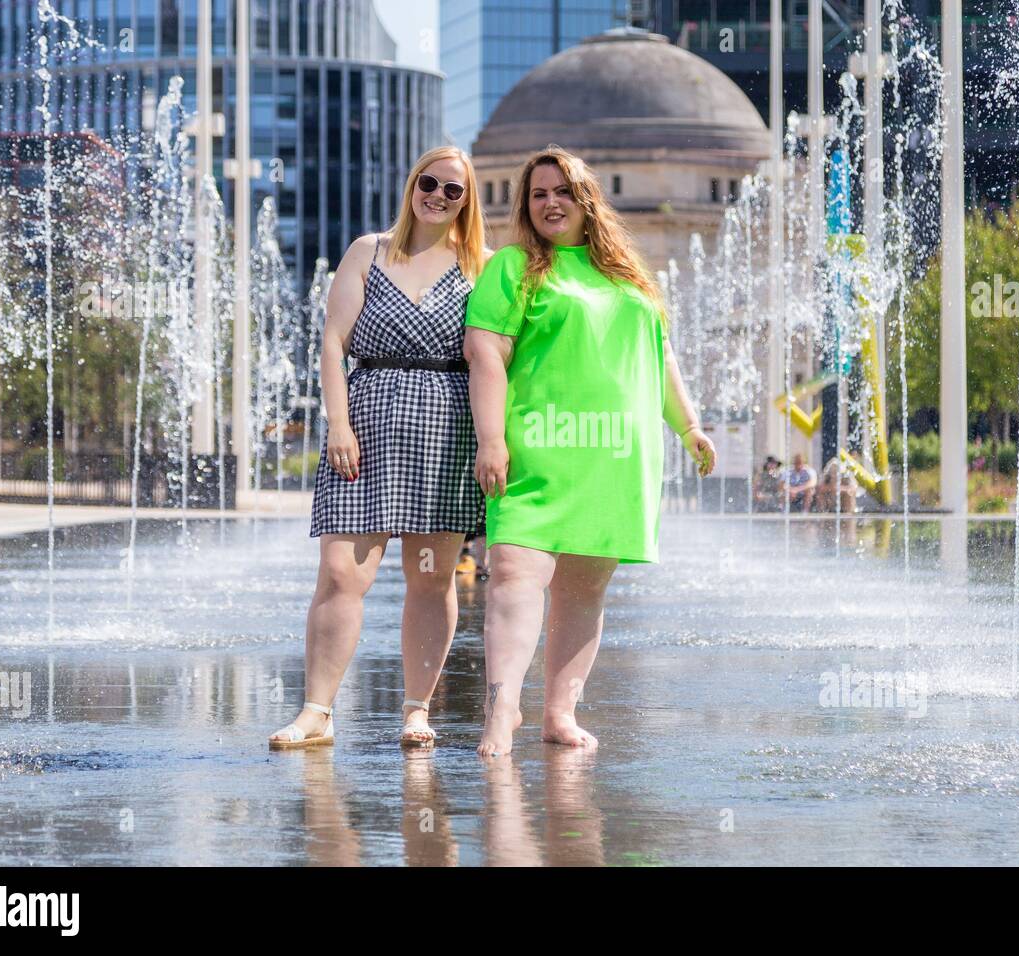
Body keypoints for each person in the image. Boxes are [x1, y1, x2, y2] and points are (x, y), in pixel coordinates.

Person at [463, 146, 716, 757]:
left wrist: (689, 428)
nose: (551, 203)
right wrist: (491, 440)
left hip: (613, 455)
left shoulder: (630, 276)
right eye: (539, 194)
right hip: (539, 449)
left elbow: (661, 360)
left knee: (584, 589)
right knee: (515, 577)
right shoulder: (515, 267)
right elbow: (485, 352)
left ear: (588, 200)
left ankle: (559, 713)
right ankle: (502, 712)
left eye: (563, 192)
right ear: (526, 205)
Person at [269, 145, 487, 750]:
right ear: (411, 183)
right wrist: (337, 423)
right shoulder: (368, 250)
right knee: (341, 572)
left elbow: (496, 359)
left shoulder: (482, 265)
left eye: (454, 190)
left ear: (467, 202)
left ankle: (417, 709)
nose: (438, 196)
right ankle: (317, 712)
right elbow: (334, 343)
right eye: (430, 182)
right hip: (364, 422)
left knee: (432, 577)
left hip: (446, 426)